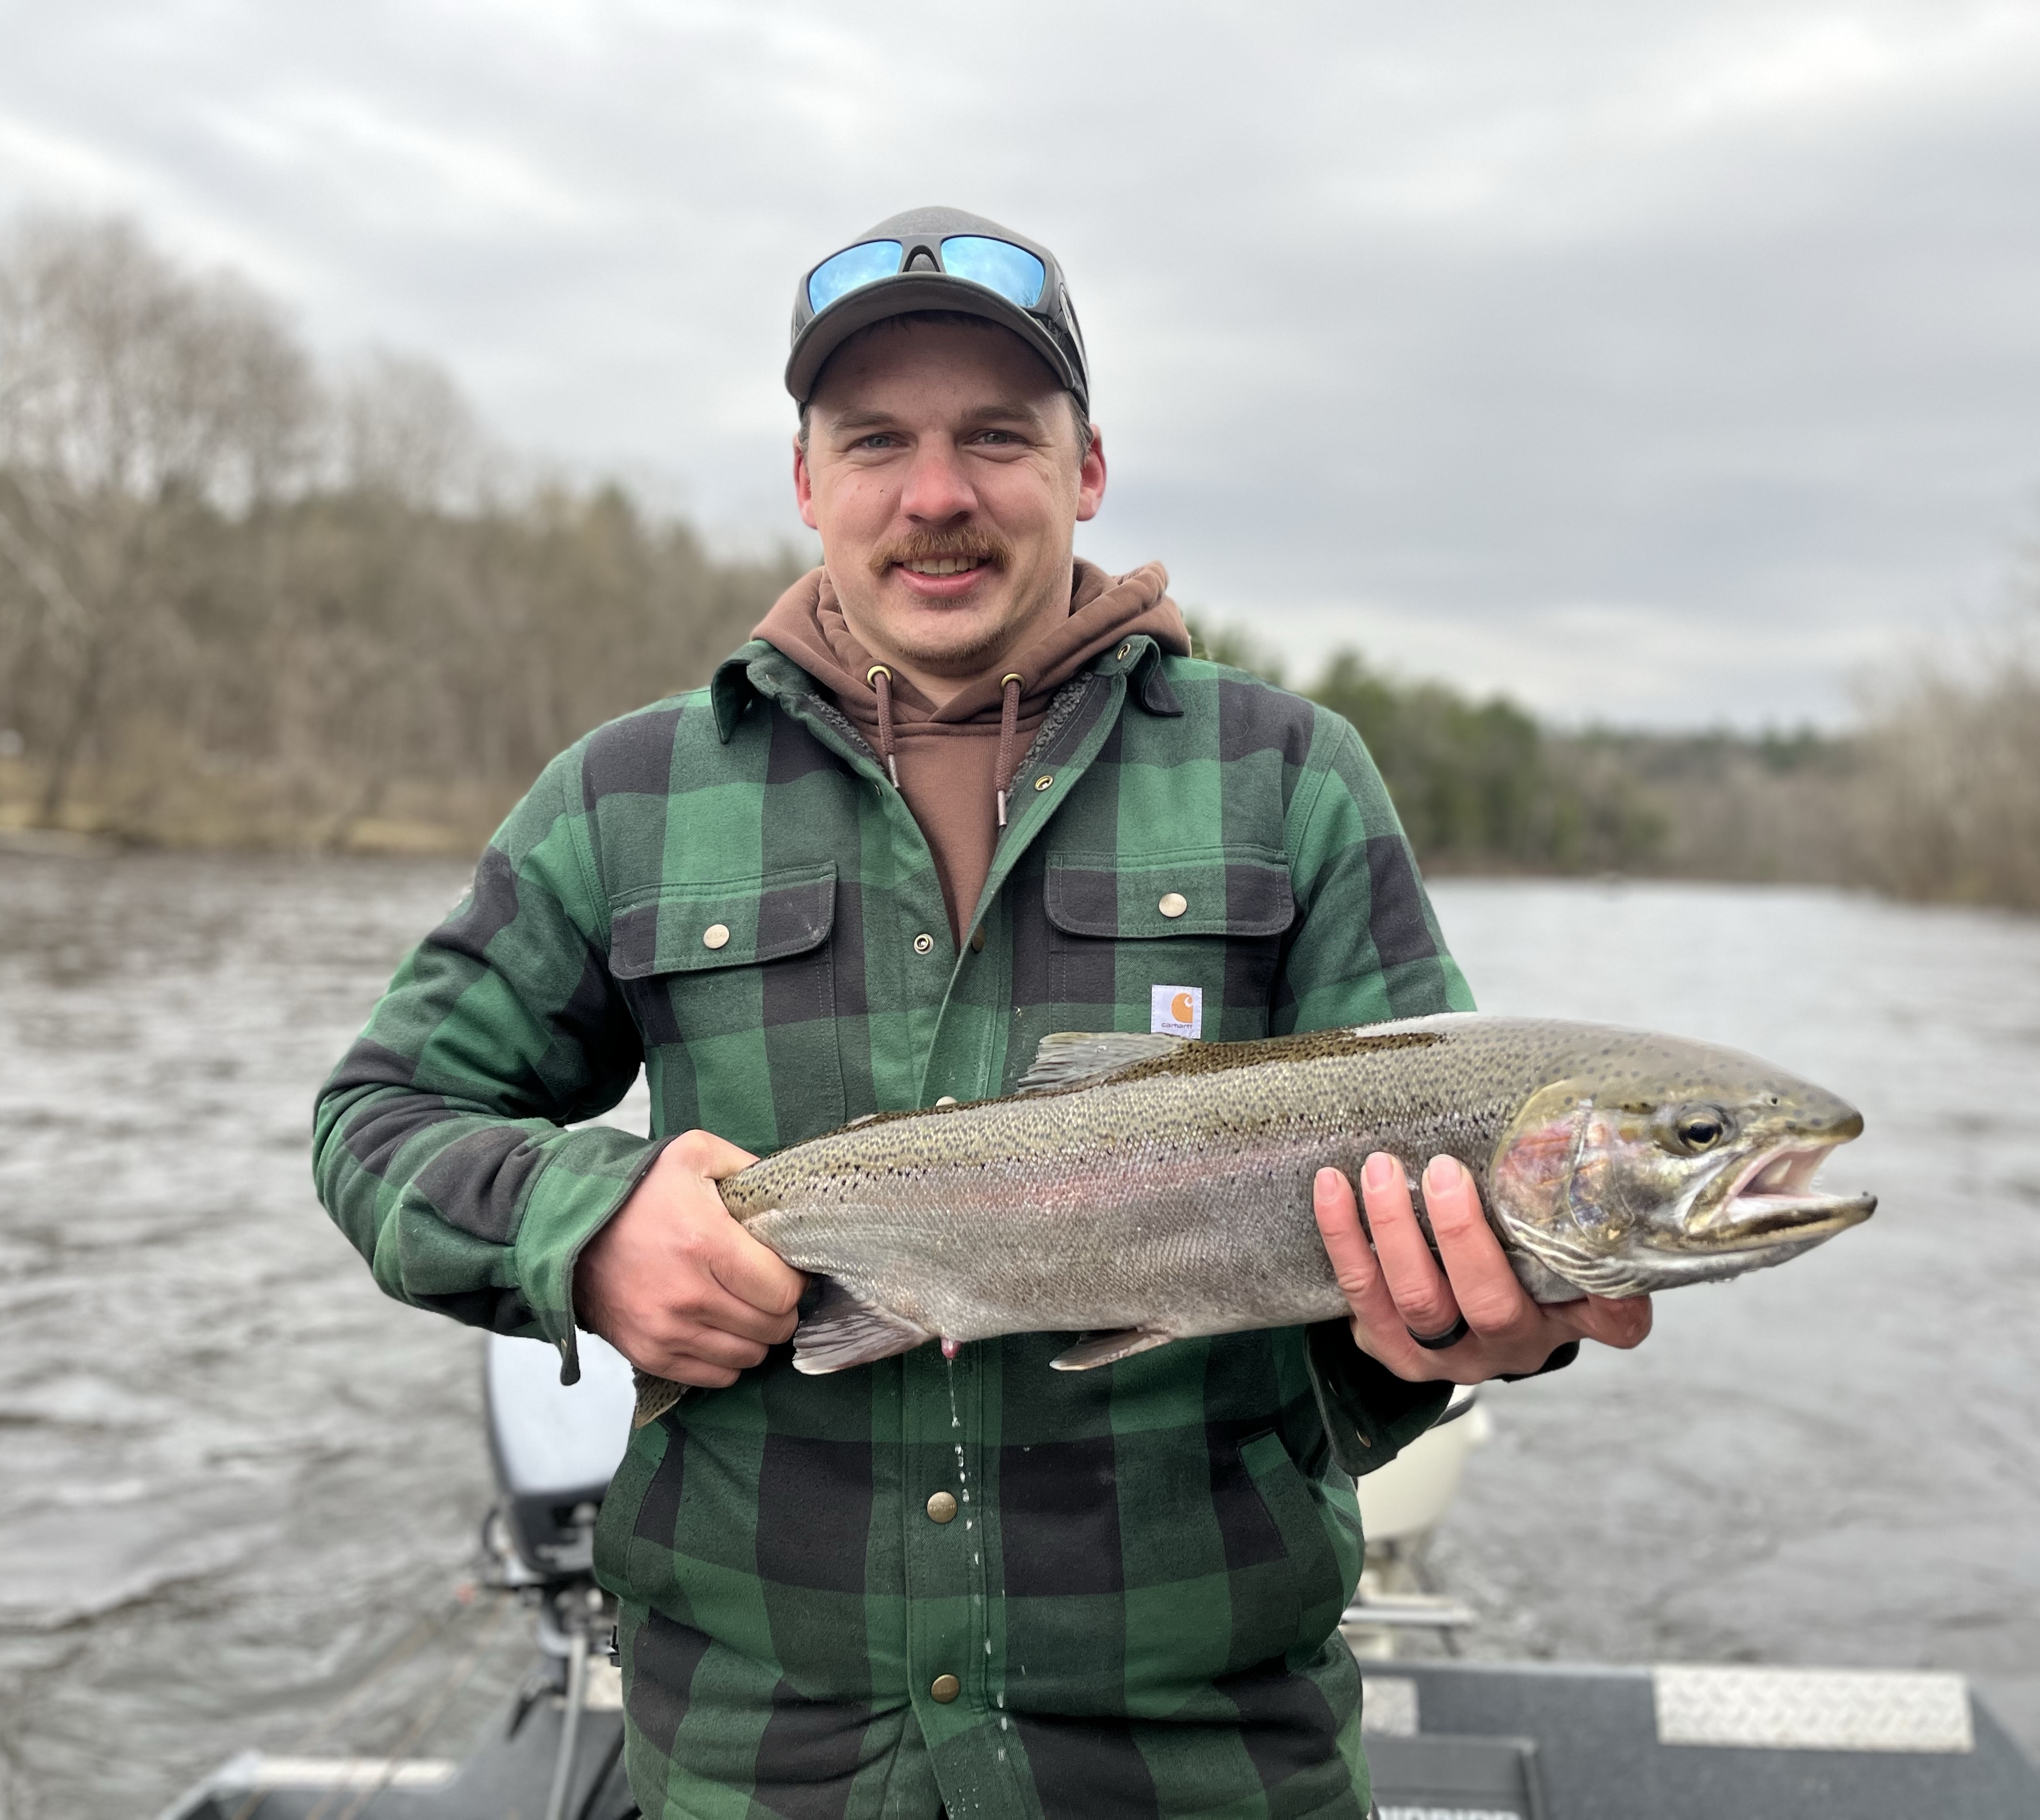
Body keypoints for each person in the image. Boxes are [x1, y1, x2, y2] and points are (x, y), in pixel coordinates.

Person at [314, 206, 1651, 1820]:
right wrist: (585, 1232)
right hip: (757, 1762)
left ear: (1087, 470)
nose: (935, 494)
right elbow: (380, 1122)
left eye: (997, 437)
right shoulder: (626, 796)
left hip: (1201, 1763)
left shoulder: (1289, 777)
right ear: (807, 480)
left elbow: (1404, 1267)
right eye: (875, 440)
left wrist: (1455, 1329)